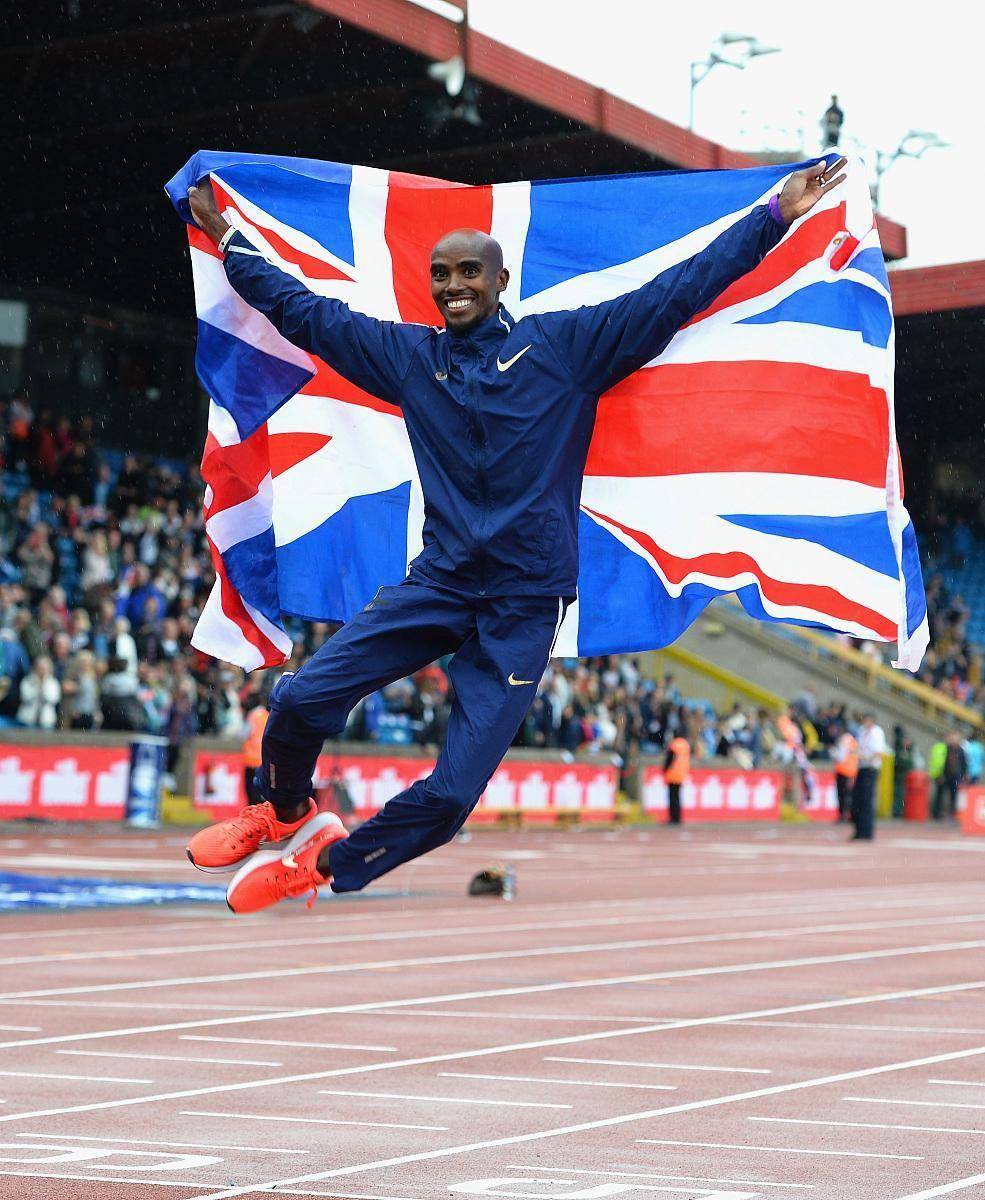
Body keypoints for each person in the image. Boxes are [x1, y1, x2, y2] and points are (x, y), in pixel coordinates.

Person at [184, 157, 847, 914]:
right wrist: (230, 240)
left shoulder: (566, 350)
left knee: (451, 796)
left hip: (524, 606)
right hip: (440, 582)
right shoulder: (412, 361)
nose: (453, 286)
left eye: (470, 272)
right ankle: (284, 811)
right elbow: (305, 312)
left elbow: (677, 291)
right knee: (300, 699)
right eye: (441, 274)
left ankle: (325, 862)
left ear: (500, 281)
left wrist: (772, 216)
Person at [852, 712, 885, 841]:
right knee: (857, 800)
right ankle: (859, 830)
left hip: (871, 768)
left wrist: (865, 757)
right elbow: (859, 747)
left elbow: (878, 752)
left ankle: (867, 832)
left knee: (867, 801)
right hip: (861, 767)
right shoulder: (862, 731)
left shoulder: (877, 733)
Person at [933, 732, 967, 821]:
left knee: (954, 795)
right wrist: (939, 774)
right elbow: (940, 762)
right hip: (945, 775)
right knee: (940, 794)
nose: (953, 740)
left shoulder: (960, 750)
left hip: (955, 776)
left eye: (956, 738)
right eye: (952, 738)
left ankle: (953, 813)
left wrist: (963, 775)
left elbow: (963, 764)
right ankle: (937, 813)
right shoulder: (945, 748)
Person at [663, 733, 691, 825]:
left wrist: (665, 769)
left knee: (672, 797)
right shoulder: (685, 744)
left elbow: (669, 759)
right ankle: (678, 817)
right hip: (681, 774)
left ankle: (673, 818)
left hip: (672, 774)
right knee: (678, 797)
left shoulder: (674, 744)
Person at [832, 727, 858, 822]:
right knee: (849, 794)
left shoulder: (843, 740)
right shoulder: (854, 741)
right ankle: (850, 815)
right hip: (852, 771)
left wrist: (832, 752)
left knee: (842, 795)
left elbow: (840, 756)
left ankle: (843, 815)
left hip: (843, 770)